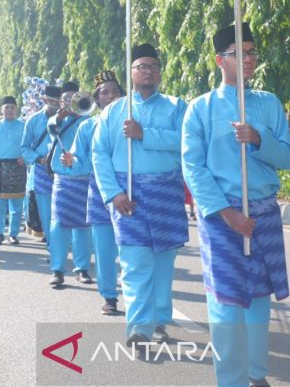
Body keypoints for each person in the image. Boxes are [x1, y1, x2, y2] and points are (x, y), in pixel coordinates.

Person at [182, 23, 290, 387]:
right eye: (239, 53)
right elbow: (192, 166)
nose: (248, 59)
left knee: (260, 297)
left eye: (252, 52)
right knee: (227, 301)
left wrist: (260, 139)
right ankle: (230, 380)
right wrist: (227, 214)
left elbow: (288, 156)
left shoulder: (268, 103)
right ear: (219, 60)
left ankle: (258, 374)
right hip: (221, 217)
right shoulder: (200, 108)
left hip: (263, 213)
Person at [93, 44, 188, 345]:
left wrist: (145, 133)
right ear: (131, 71)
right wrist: (114, 193)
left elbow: (187, 142)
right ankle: (139, 327)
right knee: (134, 262)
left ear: (160, 72)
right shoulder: (113, 110)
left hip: (166, 192)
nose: (148, 71)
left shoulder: (177, 106)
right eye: (142, 66)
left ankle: (160, 317)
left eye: (153, 66)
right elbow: (99, 154)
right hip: (127, 195)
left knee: (163, 261)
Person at [61, 71, 123, 314]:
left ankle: (137, 295)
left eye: (115, 91)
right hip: (100, 194)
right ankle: (109, 296)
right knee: (104, 249)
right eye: (105, 92)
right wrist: (71, 161)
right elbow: (80, 160)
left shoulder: (132, 122)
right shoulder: (87, 126)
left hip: (130, 193)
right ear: (97, 98)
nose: (110, 96)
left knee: (130, 250)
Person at [45, 81, 92, 287]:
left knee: (83, 226)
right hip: (63, 180)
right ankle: (57, 269)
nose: (71, 103)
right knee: (59, 225)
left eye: (75, 99)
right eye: (67, 100)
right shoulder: (57, 121)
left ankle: (82, 269)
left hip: (84, 178)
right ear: (61, 102)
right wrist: (59, 117)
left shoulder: (88, 120)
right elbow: (51, 128)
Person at [0, 96, 26, 245]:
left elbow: (29, 146)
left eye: (12, 107)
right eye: (6, 107)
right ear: (2, 110)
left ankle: (13, 234)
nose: (9, 110)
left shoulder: (23, 126)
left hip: (17, 167)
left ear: (17, 109)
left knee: (17, 204)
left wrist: (25, 158)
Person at [21, 86, 61, 242]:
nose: (54, 104)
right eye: (51, 100)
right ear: (44, 100)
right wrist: (38, 158)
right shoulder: (33, 120)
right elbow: (24, 147)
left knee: (62, 213)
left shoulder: (67, 119)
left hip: (63, 170)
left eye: (57, 101)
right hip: (41, 170)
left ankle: (62, 247)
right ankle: (53, 249)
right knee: (46, 213)